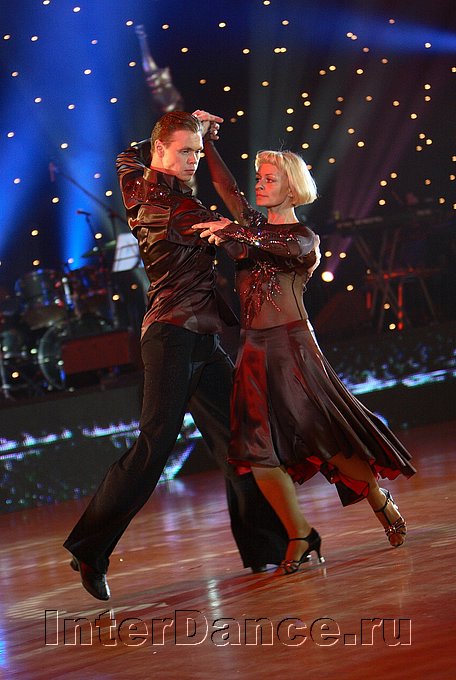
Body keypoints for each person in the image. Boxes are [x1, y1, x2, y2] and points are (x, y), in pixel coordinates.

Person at [63, 111, 289, 600]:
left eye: (197, 151)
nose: (194, 159)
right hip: (172, 338)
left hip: (200, 338)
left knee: (241, 438)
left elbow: (126, 155)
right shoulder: (173, 207)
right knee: (154, 447)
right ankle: (89, 548)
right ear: (162, 152)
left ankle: (267, 546)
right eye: (185, 151)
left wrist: (188, 130)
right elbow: (237, 237)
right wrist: (257, 232)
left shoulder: (134, 178)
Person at [192, 142, 416, 575]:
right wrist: (208, 141)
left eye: (270, 179)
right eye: (259, 178)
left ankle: (377, 496)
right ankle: (298, 533)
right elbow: (226, 187)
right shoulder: (251, 226)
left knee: (320, 434)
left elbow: (277, 246)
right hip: (252, 349)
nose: (260, 184)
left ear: (291, 188)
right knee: (257, 448)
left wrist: (233, 231)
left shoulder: (301, 237)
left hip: (292, 347)